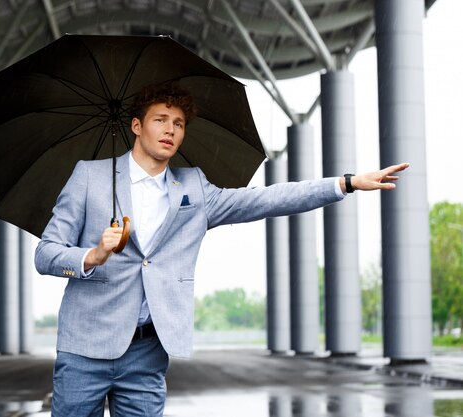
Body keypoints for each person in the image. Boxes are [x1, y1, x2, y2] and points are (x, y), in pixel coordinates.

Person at [34, 82, 409, 416]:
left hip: (148, 351)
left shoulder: (193, 188)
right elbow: (46, 253)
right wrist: (93, 255)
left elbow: (265, 199)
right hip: (85, 346)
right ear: (136, 125)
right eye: (160, 119)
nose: (170, 129)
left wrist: (344, 183)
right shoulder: (89, 176)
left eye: (178, 123)